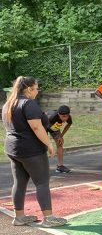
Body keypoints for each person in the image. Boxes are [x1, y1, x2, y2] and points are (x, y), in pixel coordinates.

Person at [1, 76, 67, 227]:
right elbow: (37, 127)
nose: (37, 92)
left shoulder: (8, 104)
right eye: (36, 88)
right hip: (31, 150)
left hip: (13, 148)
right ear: (29, 89)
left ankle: (19, 217)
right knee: (42, 182)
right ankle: (49, 218)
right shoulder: (28, 104)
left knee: (19, 182)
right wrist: (49, 144)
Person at [45, 105, 72, 173]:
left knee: (60, 142)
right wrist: (48, 144)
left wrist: (61, 136)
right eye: (63, 116)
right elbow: (45, 129)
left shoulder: (68, 117)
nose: (65, 118)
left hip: (54, 125)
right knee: (42, 145)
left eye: (67, 116)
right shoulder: (52, 117)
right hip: (44, 124)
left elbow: (68, 124)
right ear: (58, 115)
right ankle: (40, 166)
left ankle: (60, 166)